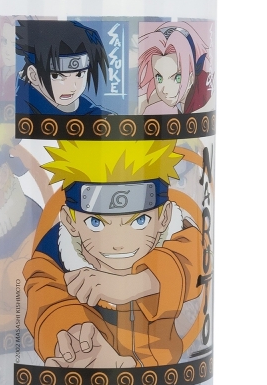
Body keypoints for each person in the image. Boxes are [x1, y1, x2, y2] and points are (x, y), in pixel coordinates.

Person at [23, 139, 203, 368]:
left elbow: (194, 260)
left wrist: (136, 284)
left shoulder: (180, 234)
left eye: (139, 220)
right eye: (96, 223)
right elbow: (46, 303)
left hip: (166, 379)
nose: (118, 243)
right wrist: (74, 339)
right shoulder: (52, 257)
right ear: (69, 221)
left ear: (164, 216)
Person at [15, 20, 112, 115]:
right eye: (56, 76)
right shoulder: (21, 108)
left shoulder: (80, 105)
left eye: (79, 74)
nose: (72, 87)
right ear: (33, 75)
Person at [138, 23, 212, 114]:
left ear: (191, 76)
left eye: (177, 78)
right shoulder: (184, 93)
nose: (165, 90)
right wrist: (144, 101)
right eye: (159, 78)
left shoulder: (207, 88)